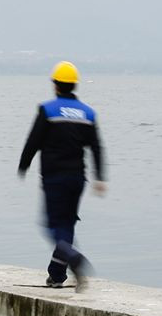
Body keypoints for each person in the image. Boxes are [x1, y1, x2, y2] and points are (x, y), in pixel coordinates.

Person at [17, 61, 106, 291]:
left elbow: (33, 141)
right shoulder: (87, 113)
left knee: (52, 227)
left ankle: (74, 259)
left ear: (56, 85)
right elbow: (97, 147)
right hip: (77, 179)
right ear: (74, 85)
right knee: (66, 225)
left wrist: (23, 165)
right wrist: (100, 177)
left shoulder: (48, 110)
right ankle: (57, 275)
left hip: (54, 178)